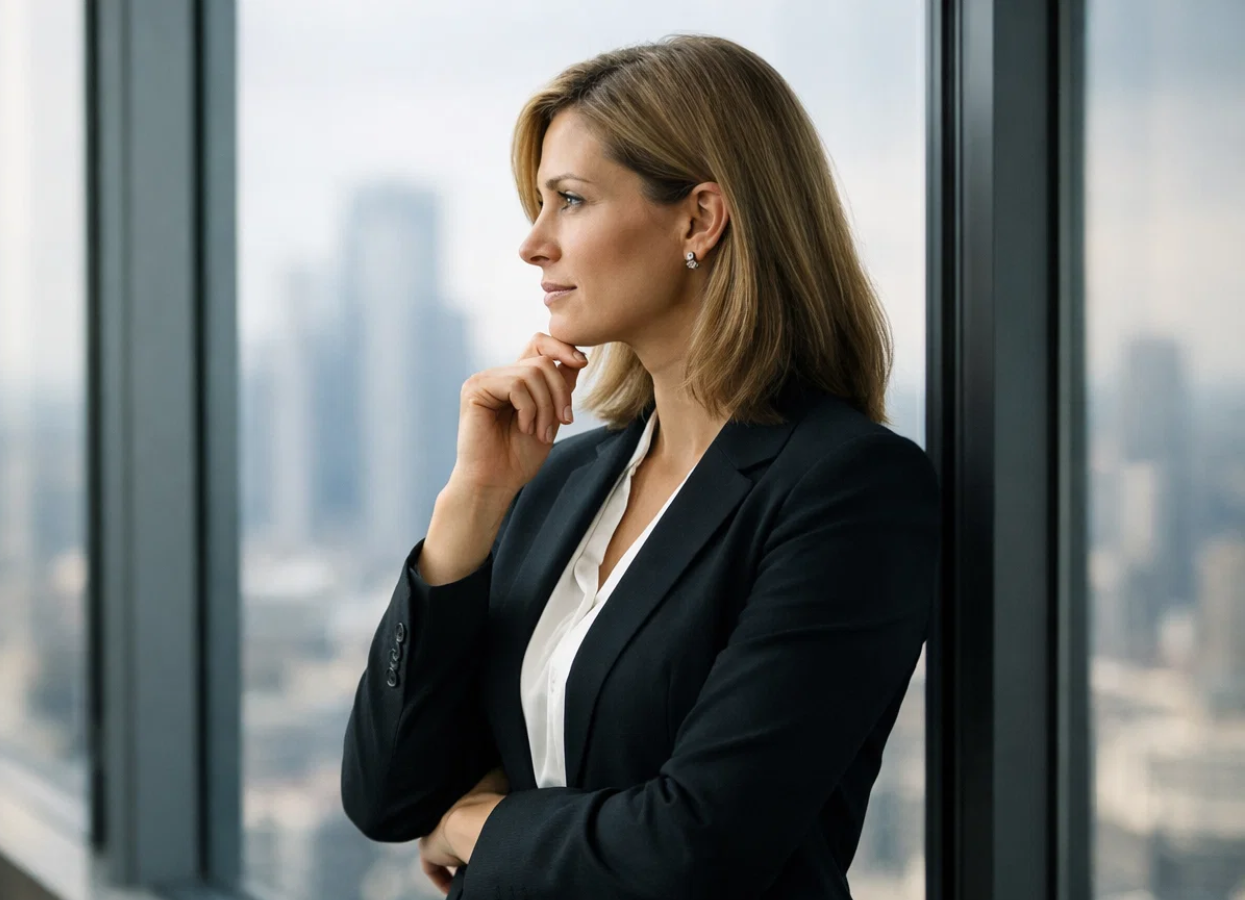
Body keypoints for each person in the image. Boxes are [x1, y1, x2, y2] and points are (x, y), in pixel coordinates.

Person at [341, 34, 940, 900]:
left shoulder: (846, 490)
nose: (533, 244)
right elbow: (387, 793)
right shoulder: (560, 478)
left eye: (570, 201)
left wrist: (477, 826)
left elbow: (695, 847)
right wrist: (468, 508)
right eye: (537, 204)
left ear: (699, 218)